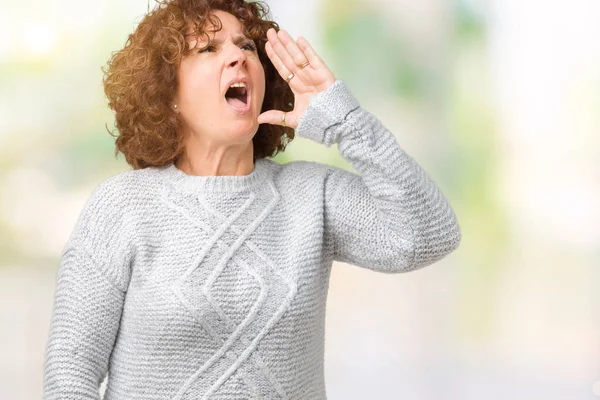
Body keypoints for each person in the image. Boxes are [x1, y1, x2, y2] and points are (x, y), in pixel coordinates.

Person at [43, 0, 462, 398]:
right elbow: (70, 377)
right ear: (168, 92)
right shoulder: (122, 207)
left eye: (246, 46)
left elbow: (429, 235)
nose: (238, 57)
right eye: (208, 48)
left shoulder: (311, 195)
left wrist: (343, 119)